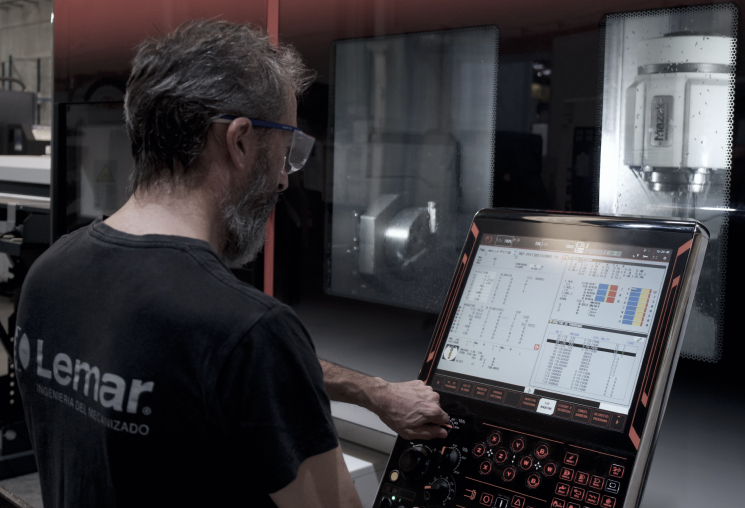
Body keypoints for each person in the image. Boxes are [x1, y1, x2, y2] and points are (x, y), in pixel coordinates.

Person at [14, 20, 448, 508]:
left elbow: (203, 366)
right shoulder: (249, 330)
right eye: (286, 152)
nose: (284, 180)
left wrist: (373, 392)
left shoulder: (49, 276)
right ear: (240, 141)